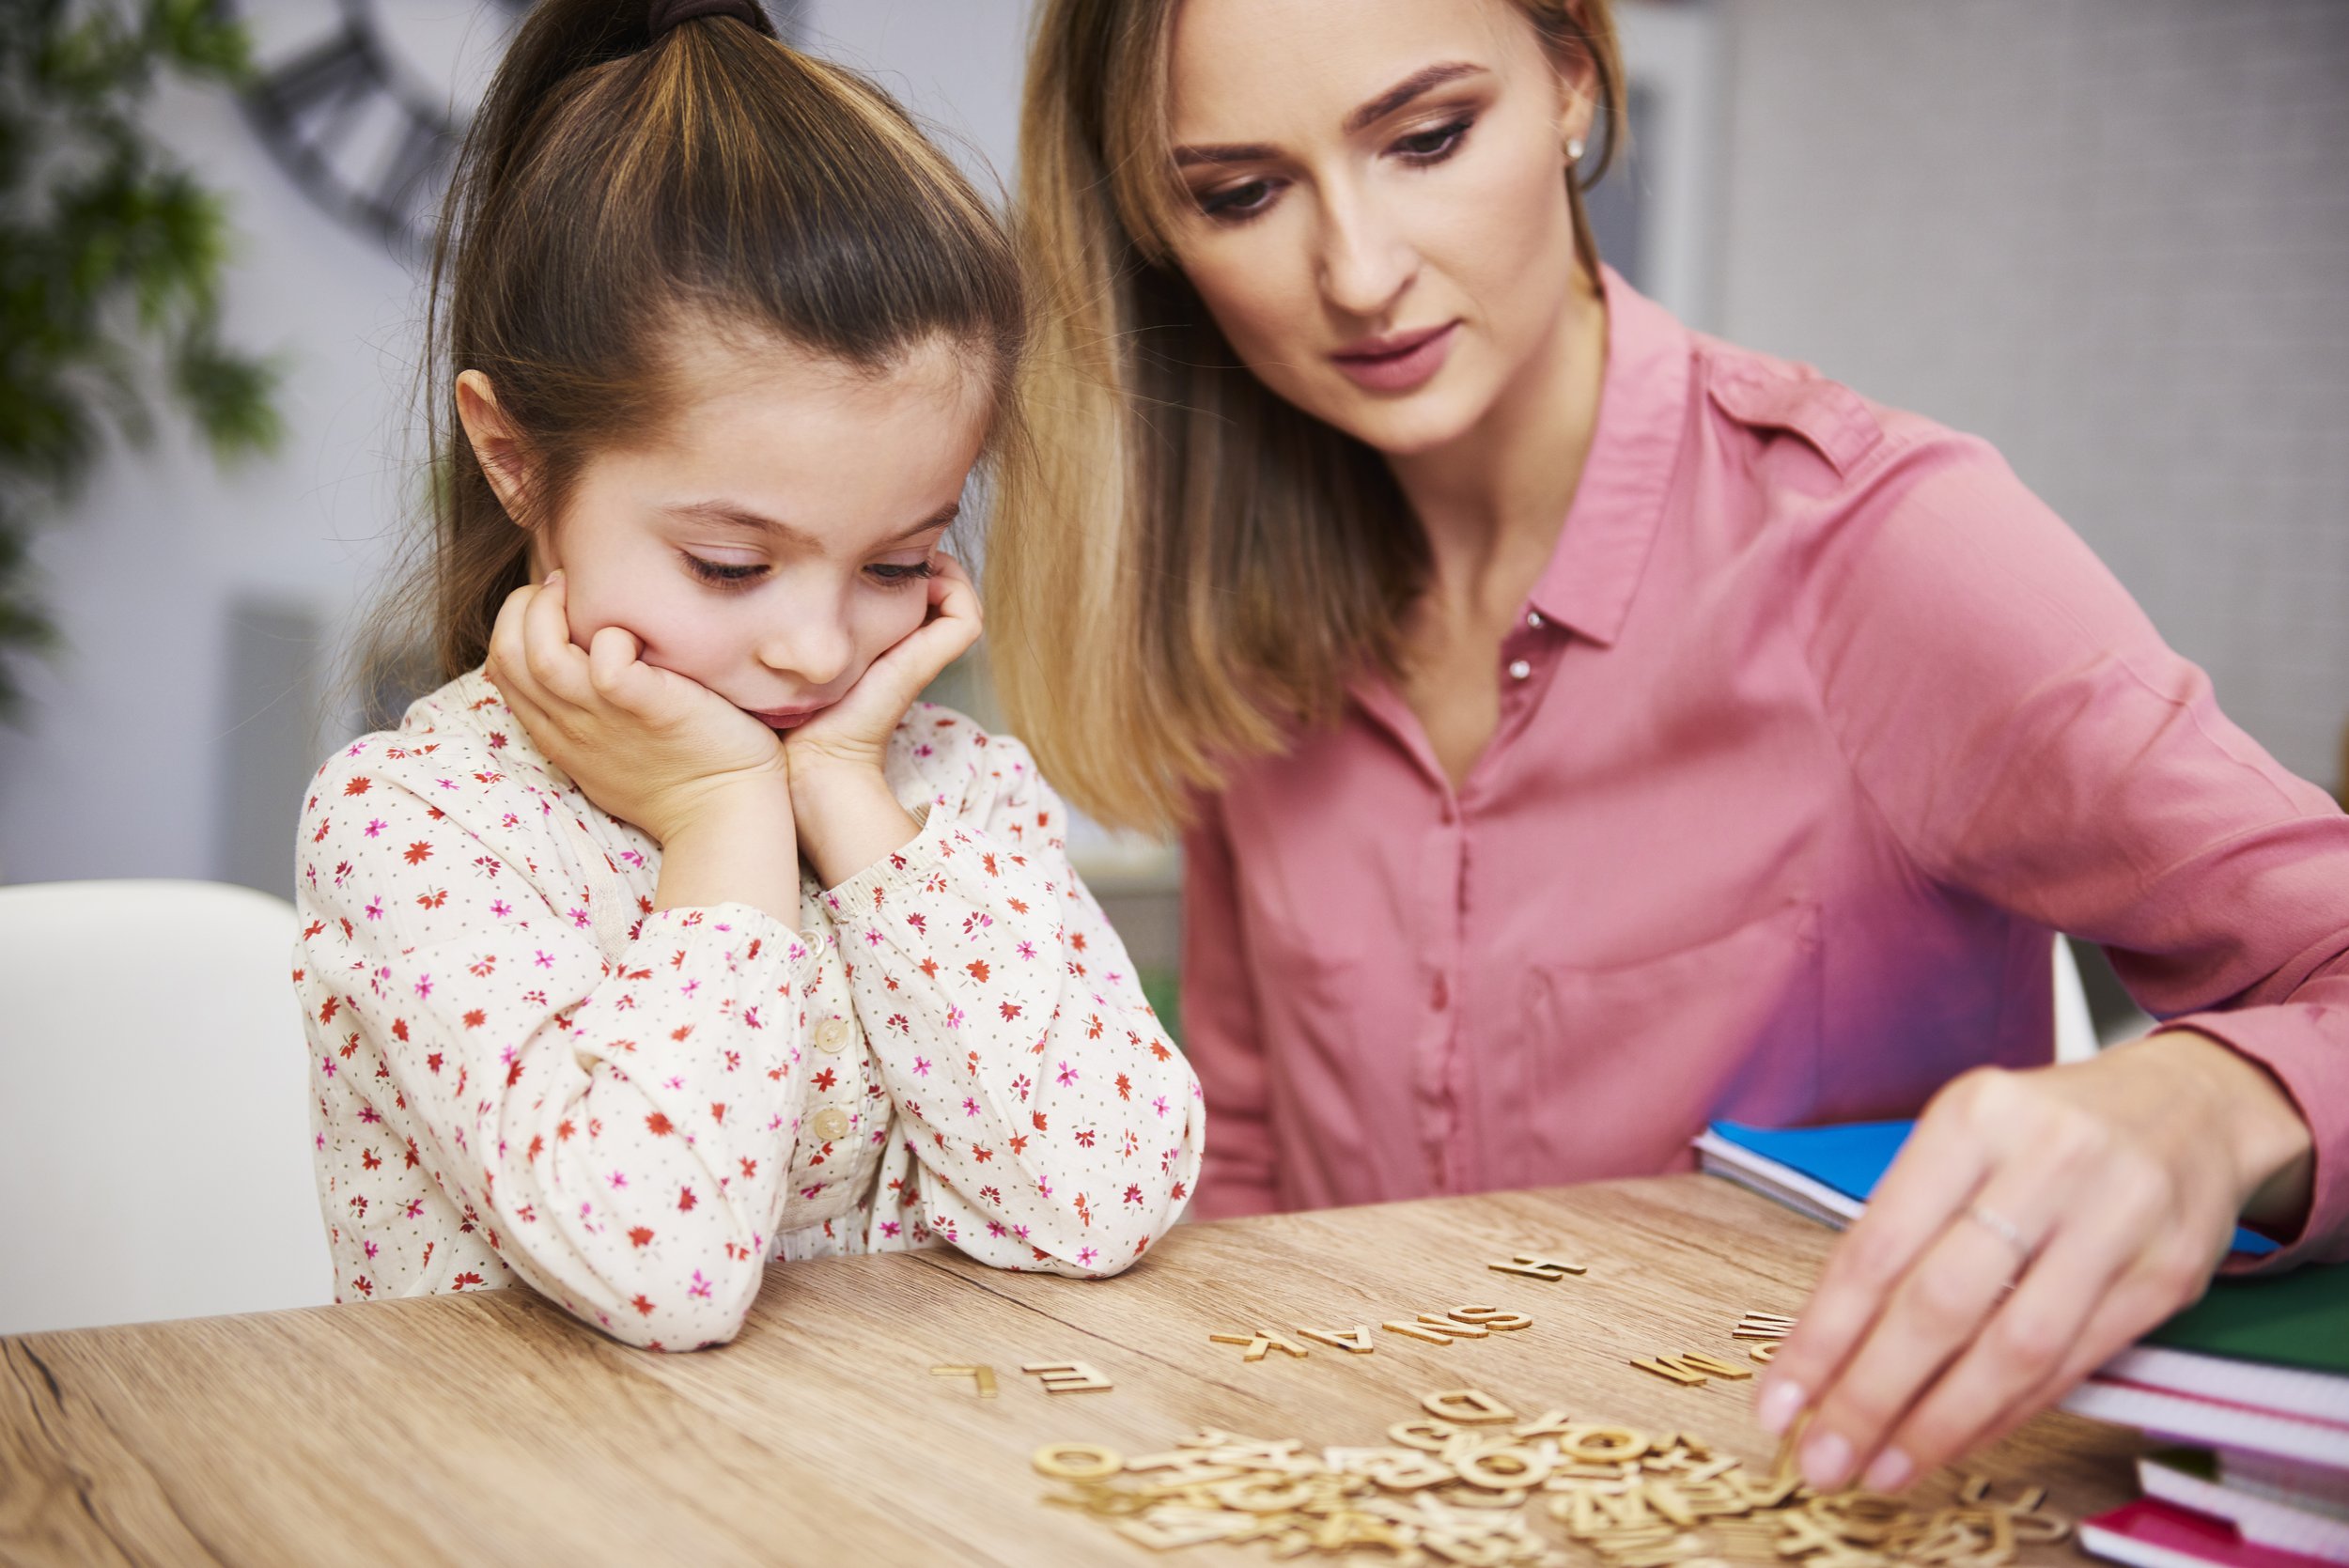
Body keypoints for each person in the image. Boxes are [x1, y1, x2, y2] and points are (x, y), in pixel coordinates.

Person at [997, 0, 2343, 1496]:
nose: (1360, 275)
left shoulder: (1882, 550)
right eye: (1239, 194)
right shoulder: (1229, 614)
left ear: (1572, 76)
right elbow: (1248, 1188)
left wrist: (2219, 1101)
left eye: (1429, 138)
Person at [291, 0, 1202, 1353]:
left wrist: (845, 797)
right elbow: (656, 1269)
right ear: (514, 455)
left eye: (897, 561)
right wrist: (723, 820)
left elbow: (1100, 1197)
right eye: (729, 564)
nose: (820, 649)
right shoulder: (420, 827)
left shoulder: (948, 797)